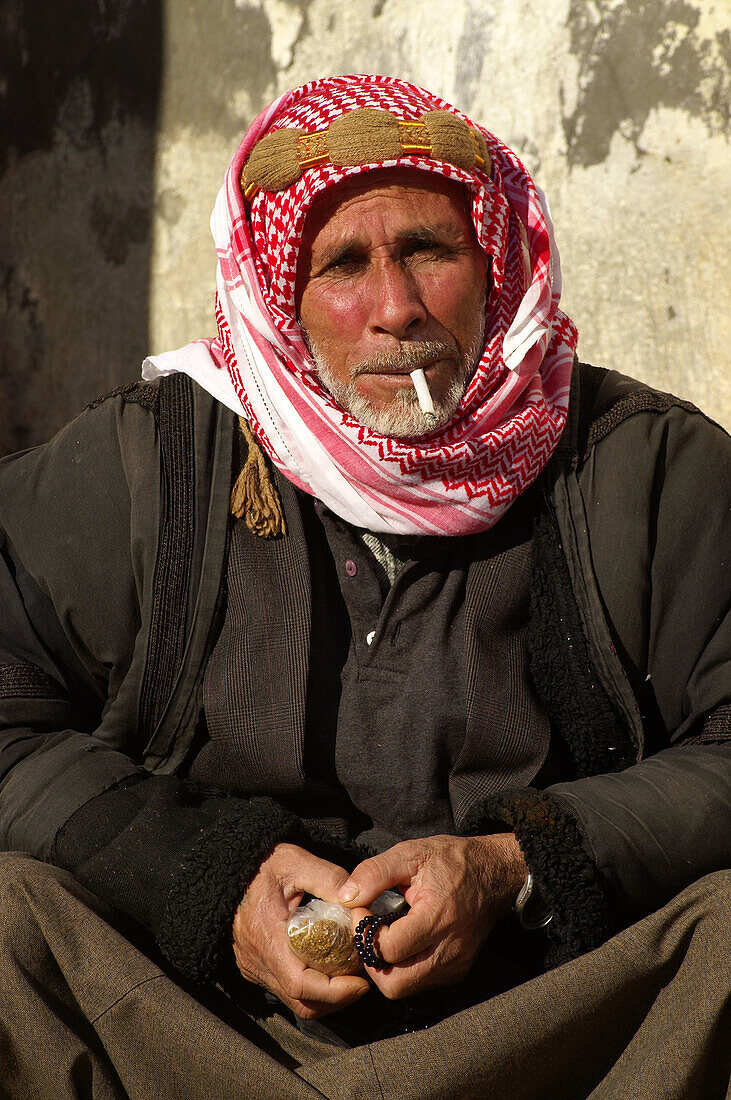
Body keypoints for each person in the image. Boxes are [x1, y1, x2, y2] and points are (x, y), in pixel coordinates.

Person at [0, 74, 728, 1099]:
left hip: (547, 1031)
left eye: (430, 250)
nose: (395, 308)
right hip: (196, 1030)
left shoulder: (646, 468)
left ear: (496, 260)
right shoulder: (148, 461)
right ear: (277, 298)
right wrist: (208, 879)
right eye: (342, 263)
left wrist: (513, 868)